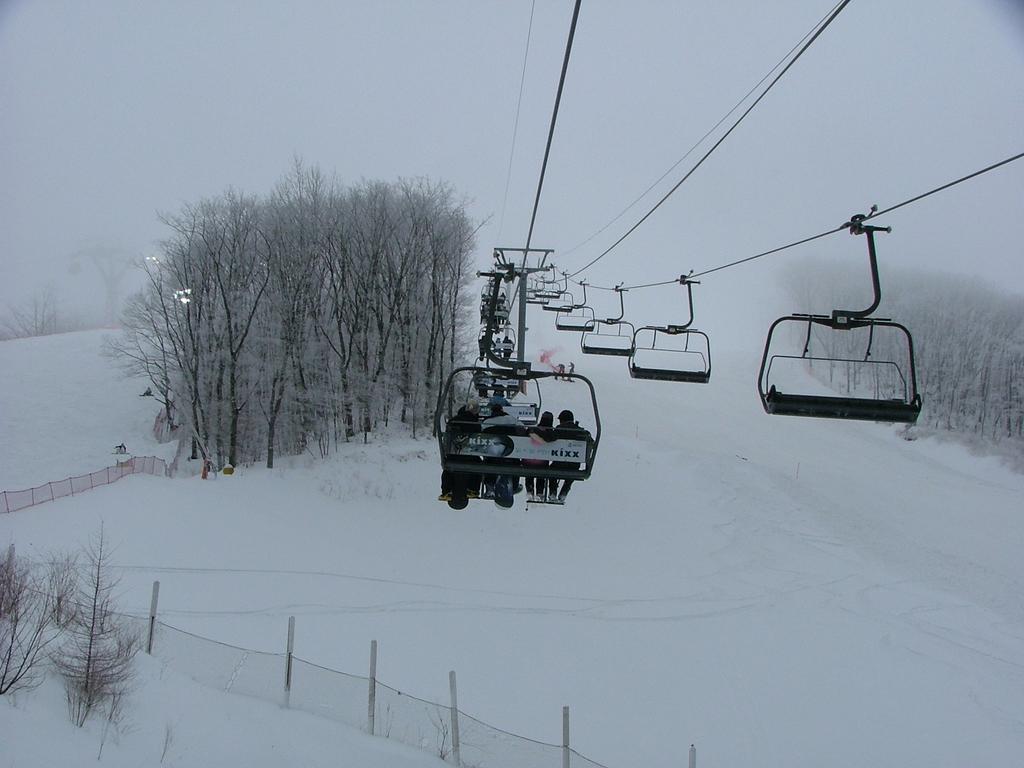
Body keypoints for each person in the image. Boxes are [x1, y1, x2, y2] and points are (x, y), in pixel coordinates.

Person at [440, 401, 482, 508]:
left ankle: (447, 490)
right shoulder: (475, 423)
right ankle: (472, 488)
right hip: (469, 457)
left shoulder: (453, 421)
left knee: (448, 469)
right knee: (478, 466)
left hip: (454, 456)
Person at [549, 409, 587, 502]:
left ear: (562, 420)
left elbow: (551, 438)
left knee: (551, 472)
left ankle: (553, 492)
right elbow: (590, 439)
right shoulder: (579, 431)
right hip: (574, 464)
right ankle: (564, 492)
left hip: (559, 463)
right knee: (571, 474)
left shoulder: (559, 429)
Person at [523, 411, 555, 501]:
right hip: (542, 461)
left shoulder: (532, 430)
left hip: (528, 460)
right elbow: (552, 438)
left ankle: (530, 491)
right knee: (541, 474)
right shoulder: (551, 433)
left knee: (529, 474)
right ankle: (540, 492)